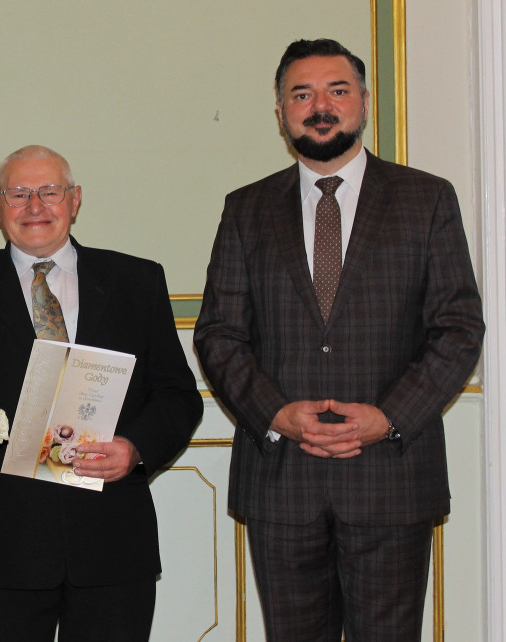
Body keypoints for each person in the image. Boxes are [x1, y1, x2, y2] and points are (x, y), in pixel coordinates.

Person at [193, 38, 485, 641]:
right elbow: (220, 333)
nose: (319, 105)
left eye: (337, 90)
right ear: (280, 111)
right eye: (302, 94)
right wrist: (276, 413)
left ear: (364, 103)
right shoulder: (246, 209)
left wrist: (389, 417)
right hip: (282, 481)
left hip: (392, 477)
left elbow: (457, 327)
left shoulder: (426, 199)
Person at [0, 145, 204, 641]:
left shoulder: (137, 281)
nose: (36, 207)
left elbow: (179, 395)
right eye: (18, 194)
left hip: (113, 543)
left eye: (50, 192)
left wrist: (135, 449)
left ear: (74, 200)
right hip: (4, 547)